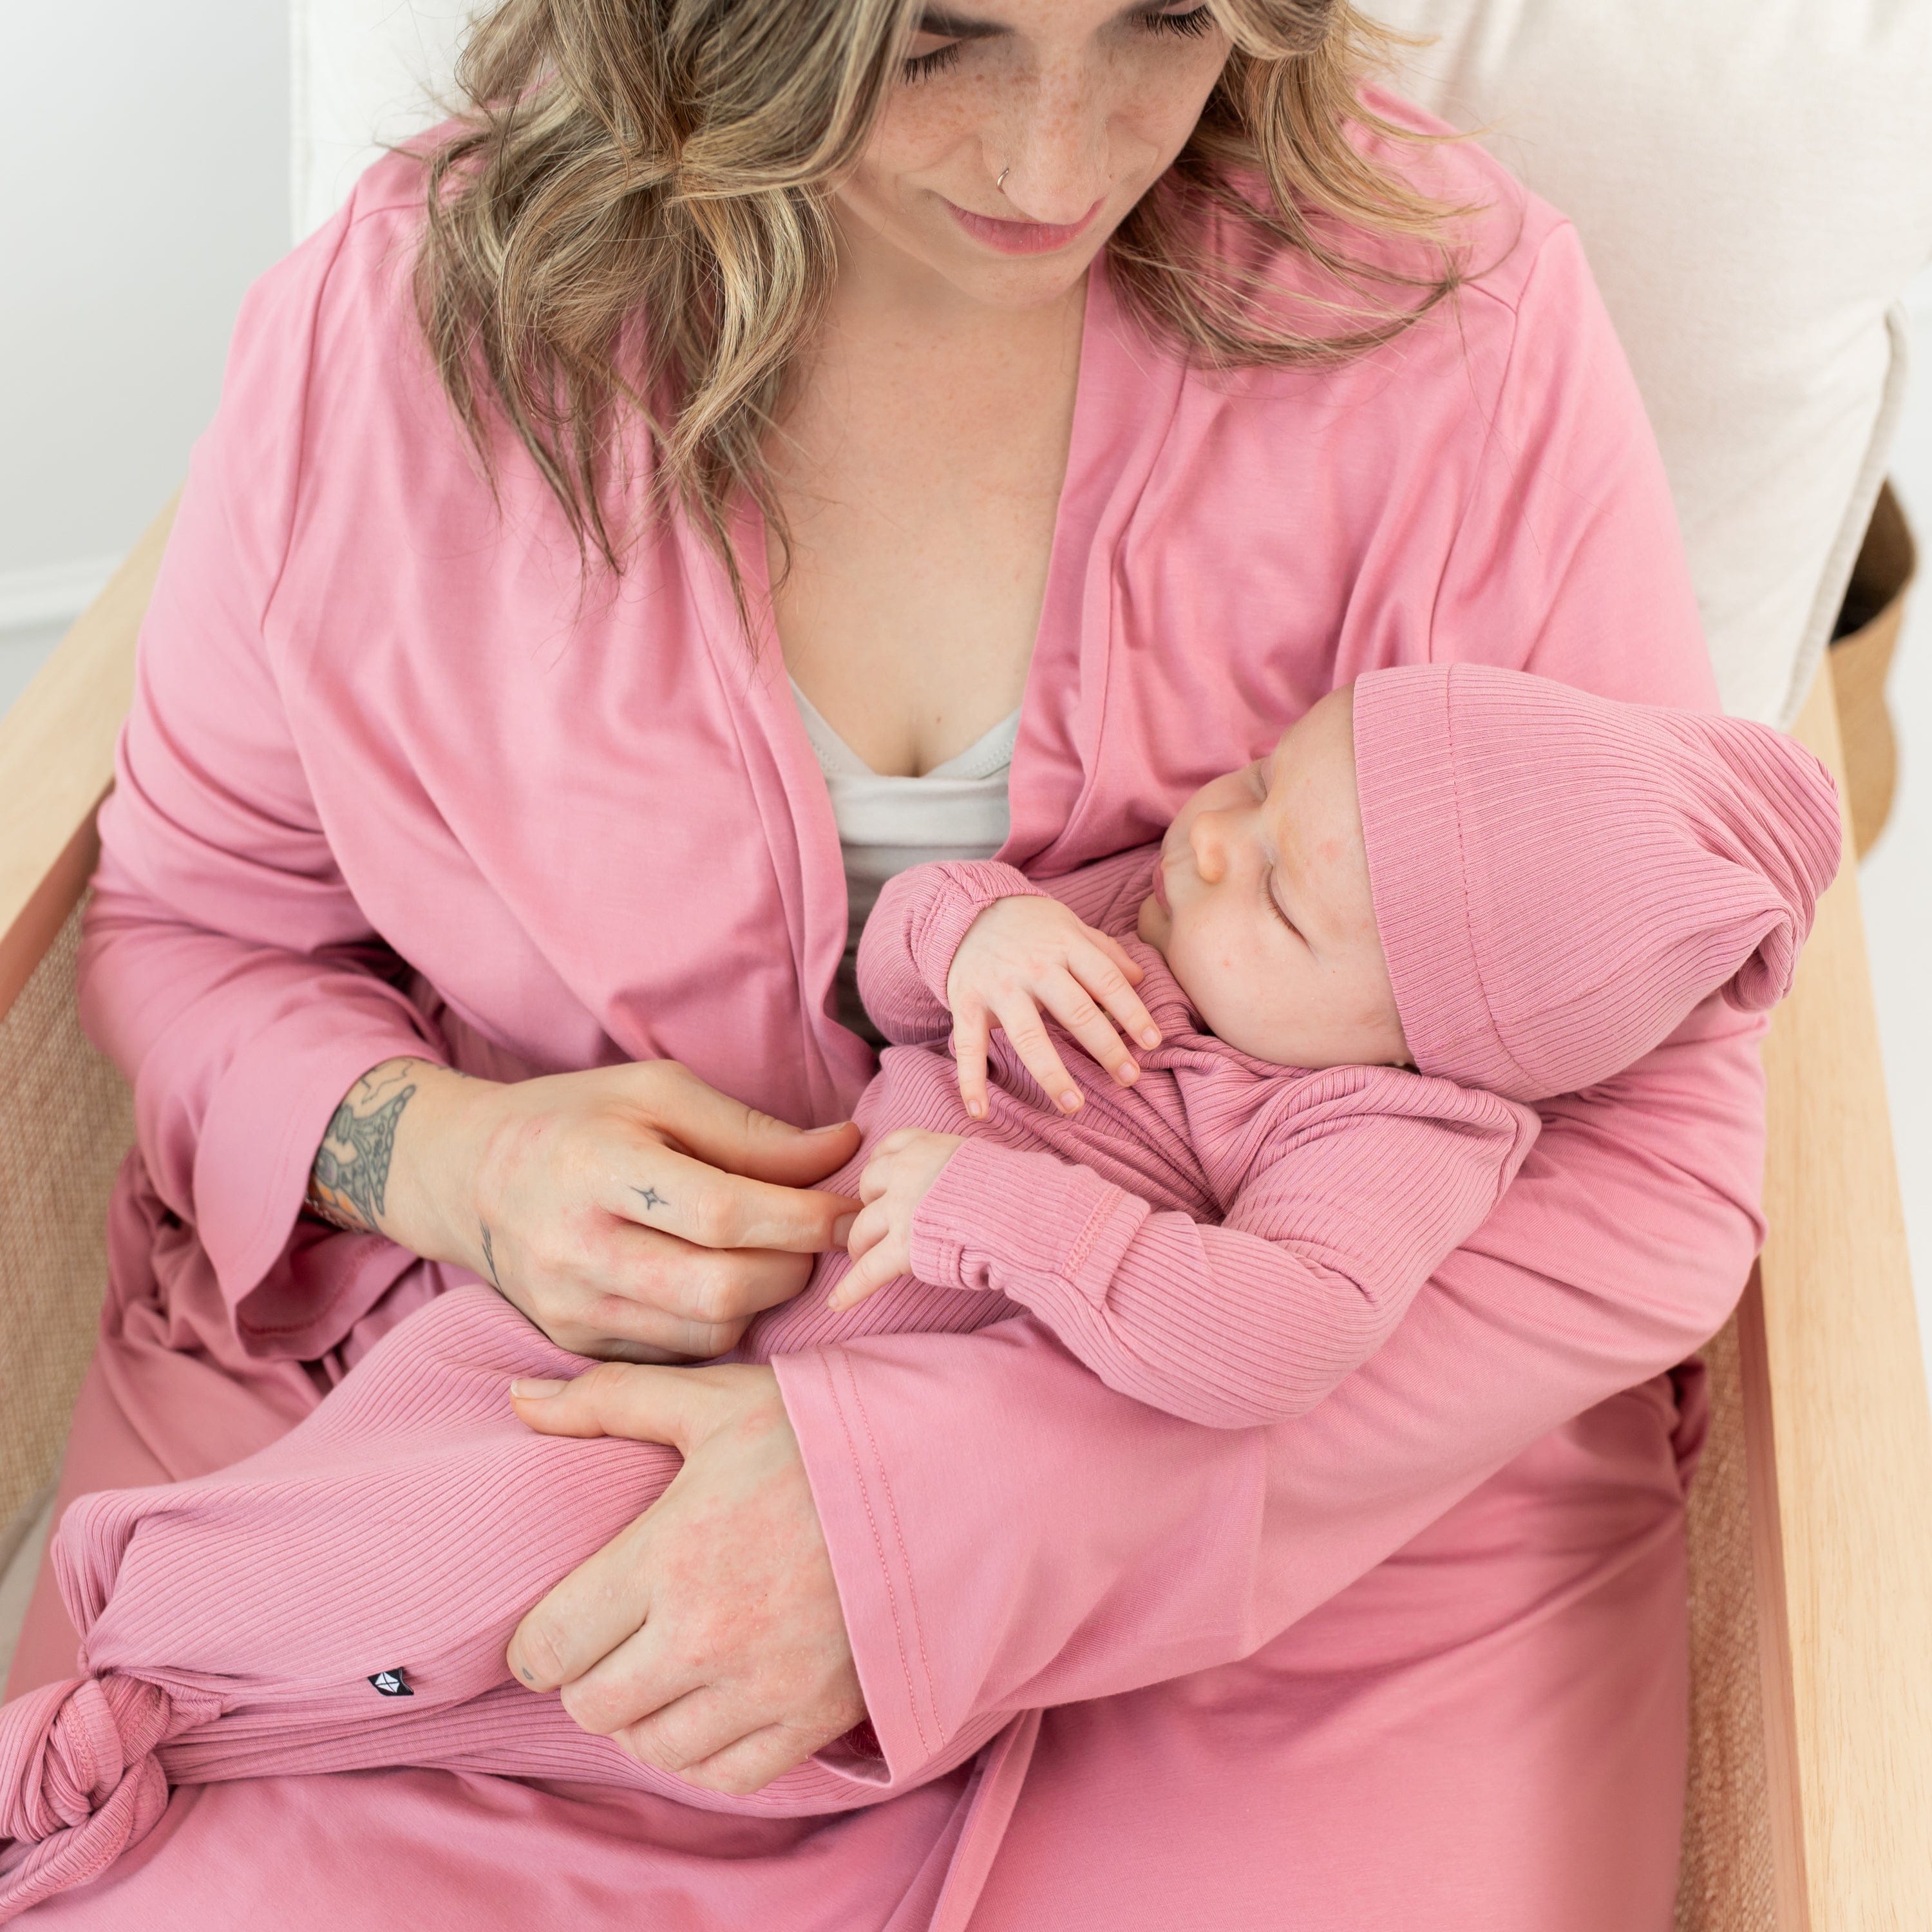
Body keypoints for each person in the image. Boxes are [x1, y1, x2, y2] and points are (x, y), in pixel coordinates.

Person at [3, 1, 1777, 1925]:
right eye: (938, 43)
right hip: (516, 1428)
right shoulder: (393, 348)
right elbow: (201, 928)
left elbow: (1660, 1160)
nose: (1059, 162)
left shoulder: (1446, 325)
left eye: (1166, 18)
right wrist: (447, 1160)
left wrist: (952, 1508)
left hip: (1284, 1528)